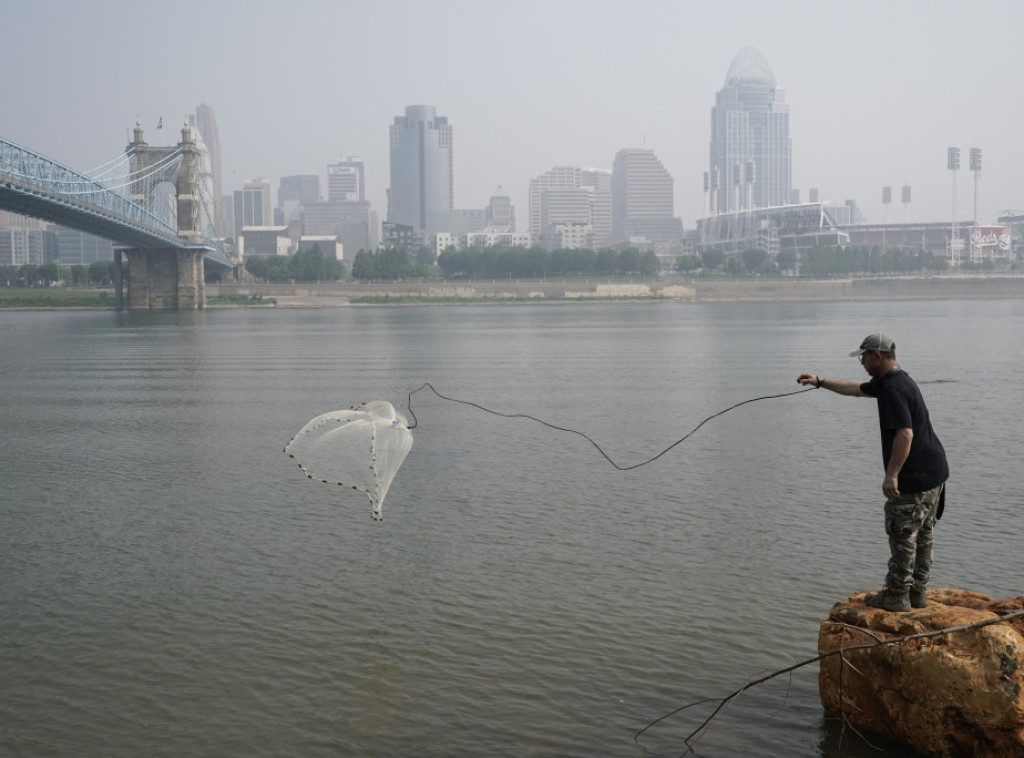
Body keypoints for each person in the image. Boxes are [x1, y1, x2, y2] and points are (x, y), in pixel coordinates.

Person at [797, 334, 948, 612]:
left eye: (863, 357)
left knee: (903, 535)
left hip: (914, 477)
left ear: (877, 356)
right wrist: (820, 382)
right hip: (935, 472)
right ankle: (917, 594)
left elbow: (905, 433)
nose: (862, 362)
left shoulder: (892, 389)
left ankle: (896, 597)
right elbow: (857, 389)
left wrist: (892, 475)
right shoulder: (898, 380)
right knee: (924, 534)